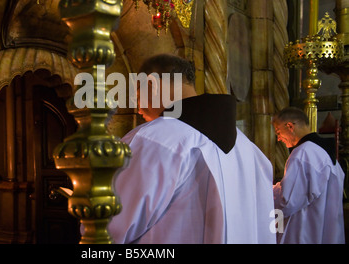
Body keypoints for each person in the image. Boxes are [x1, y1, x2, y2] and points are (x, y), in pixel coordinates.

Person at [108, 53, 276, 244]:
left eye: (138, 97)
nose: (138, 109)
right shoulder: (252, 152)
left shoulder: (151, 139)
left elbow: (108, 227)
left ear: (152, 84)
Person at [272, 107, 345, 244]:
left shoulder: (303, 153)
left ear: (289, 126)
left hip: (304, 233)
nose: (279, 138)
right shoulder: (324, 153)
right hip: (325, 231)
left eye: (278, 132)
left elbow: (287, 201)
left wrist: (267, 192)